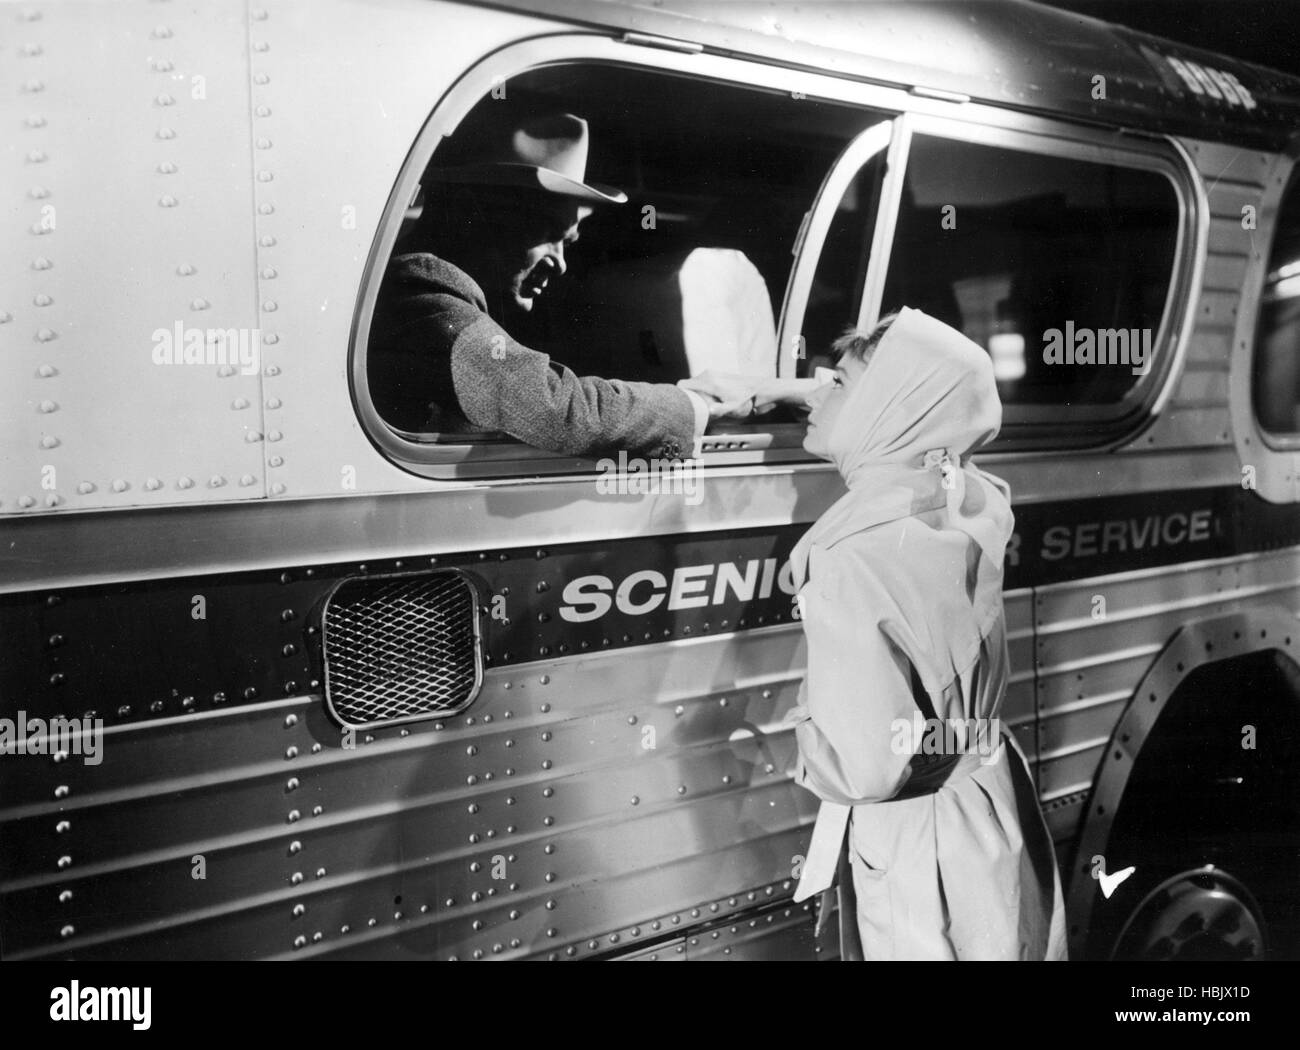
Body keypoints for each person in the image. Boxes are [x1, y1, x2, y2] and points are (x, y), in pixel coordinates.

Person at [788, 307, 1067, 961]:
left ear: (893, 408)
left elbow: (865, 768)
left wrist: (801, 745)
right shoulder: (970, 500)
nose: (818, 387)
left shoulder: (850, 555)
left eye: (844, 383)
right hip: (983, 796)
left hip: (919, 844)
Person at [368, 111, 808, 457]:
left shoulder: (455, 298)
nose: (560, 264)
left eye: (569, 242)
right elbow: (553, 407)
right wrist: (694, 403)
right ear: (480, 219)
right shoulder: (423, 288)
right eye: (548, 236)